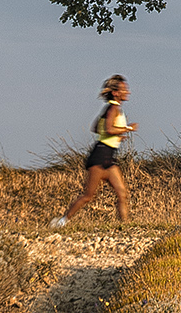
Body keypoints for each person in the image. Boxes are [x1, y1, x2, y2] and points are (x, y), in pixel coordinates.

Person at [49, 75, 137, 229]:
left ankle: (126, 228)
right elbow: (108, 129)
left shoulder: (111, 108)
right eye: (124, 89)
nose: (127, 92)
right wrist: (126, 128)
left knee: (122, 193)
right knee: (88, 195)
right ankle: (62, 222)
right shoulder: (113, 108)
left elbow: (96, 128)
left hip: (108, 157)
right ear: (116, 93)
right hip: (99, 157)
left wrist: (115, 136)